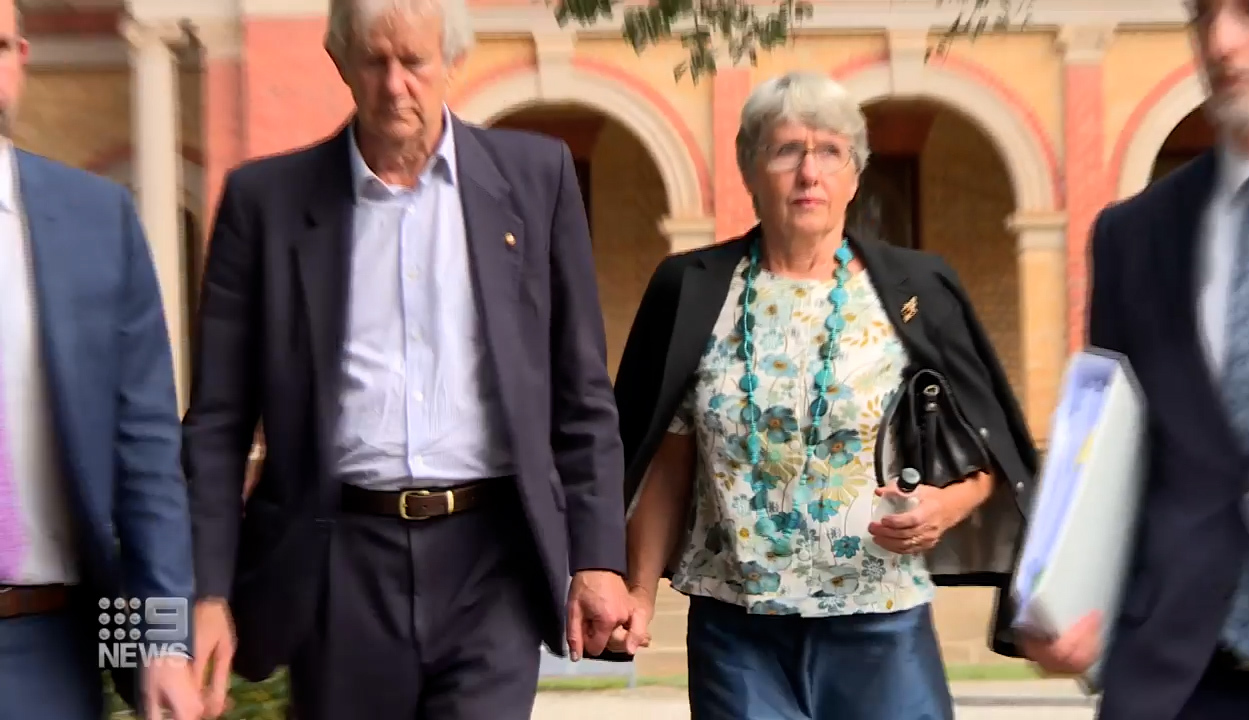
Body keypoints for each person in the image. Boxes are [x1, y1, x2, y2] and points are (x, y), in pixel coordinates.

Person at [183, 0, 635, 717]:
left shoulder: (535, 178)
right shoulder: (264, 203)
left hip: (493, 560)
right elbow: (216, 423)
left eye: (415, 61)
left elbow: (581, 393)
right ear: (341, 61)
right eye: (375, 60)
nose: (396, 84)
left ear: (453, 59)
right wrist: (205, 593)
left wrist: (599, 556)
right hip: (338, 563)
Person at [605, 71, 1039, 720]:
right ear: (750, 171)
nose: (809, 173)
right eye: (785, 151)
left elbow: (988, 444)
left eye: (830, 152)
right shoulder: (690, 289)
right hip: (737, 630)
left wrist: (944, 508)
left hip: (881, 627)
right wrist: (638, 591)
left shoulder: (916, 288)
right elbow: (668, 460)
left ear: (855, 176)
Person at [1019, 2, 1249, 718]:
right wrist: (1061, 596)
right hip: (1175, 684)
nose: (1221, 40)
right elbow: (1109, 450)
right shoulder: (1132, 235)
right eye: (1203, 13)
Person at [0, 5, 200, 720]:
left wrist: (162, 648)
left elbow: (146, 458)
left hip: (48, 647)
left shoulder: (96, 220)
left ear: (19, 57)